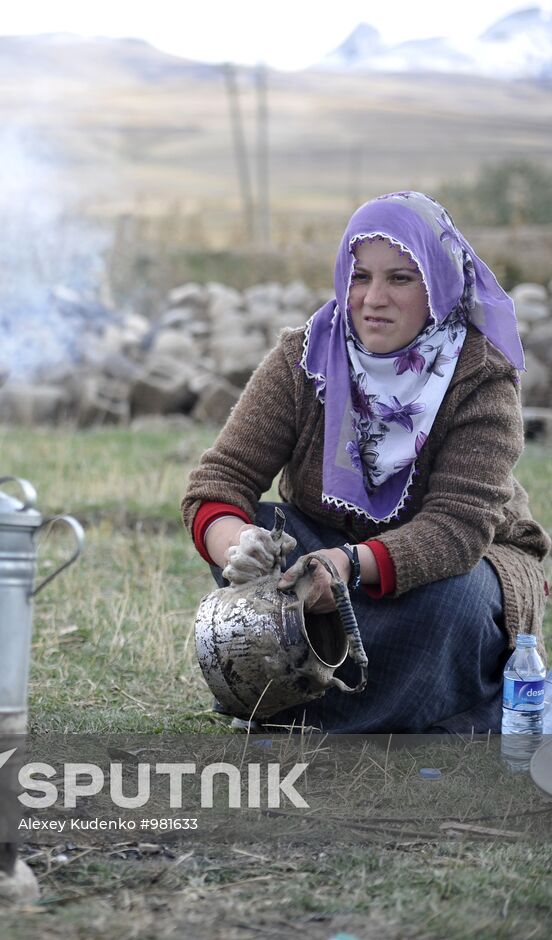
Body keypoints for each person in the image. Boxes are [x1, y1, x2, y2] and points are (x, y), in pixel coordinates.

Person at [182, 191, 550, 734]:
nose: (373, 298)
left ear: (440, 283)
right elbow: (218, 482)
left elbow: (457, 528)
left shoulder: (482, 377)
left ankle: (411, 712)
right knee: (259, 533)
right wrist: (237, 546)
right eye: (360, 277)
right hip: (327, 557)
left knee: (454, 604)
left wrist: (349, 566)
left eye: (400, 278)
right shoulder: (305, 357)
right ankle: (304, 701)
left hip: (460, 561)